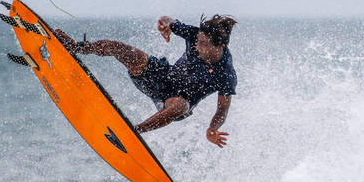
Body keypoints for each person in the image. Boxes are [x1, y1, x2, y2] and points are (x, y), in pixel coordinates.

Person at [53, 15, 238, 147]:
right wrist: (164, 25)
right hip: (162, 77)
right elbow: (169, 20)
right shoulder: (194, 34)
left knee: (180, 106)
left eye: (204, 44)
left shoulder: (226, 74)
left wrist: (212, 129)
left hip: (176, 103)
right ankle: (77, 47)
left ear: (220, 46)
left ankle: (132, 132)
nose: (197, 46)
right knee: (124, 50)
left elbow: (222, 109)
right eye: (198, 41)